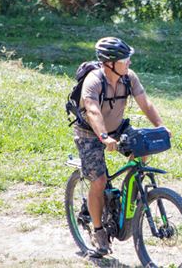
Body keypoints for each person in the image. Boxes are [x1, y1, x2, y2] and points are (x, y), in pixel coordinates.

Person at [73, 36, 167, 256]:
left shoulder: (128, 78)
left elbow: (145, 103)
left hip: (117, 128)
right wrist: (104, 137)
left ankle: (127, 196)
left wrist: (161, 126)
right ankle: (98, 232)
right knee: (98, 181)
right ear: (109, 63)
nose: (129, 63)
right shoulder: (93, 81)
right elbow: (93, 110)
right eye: (125, 60)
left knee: (143, 151)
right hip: (90, 133)